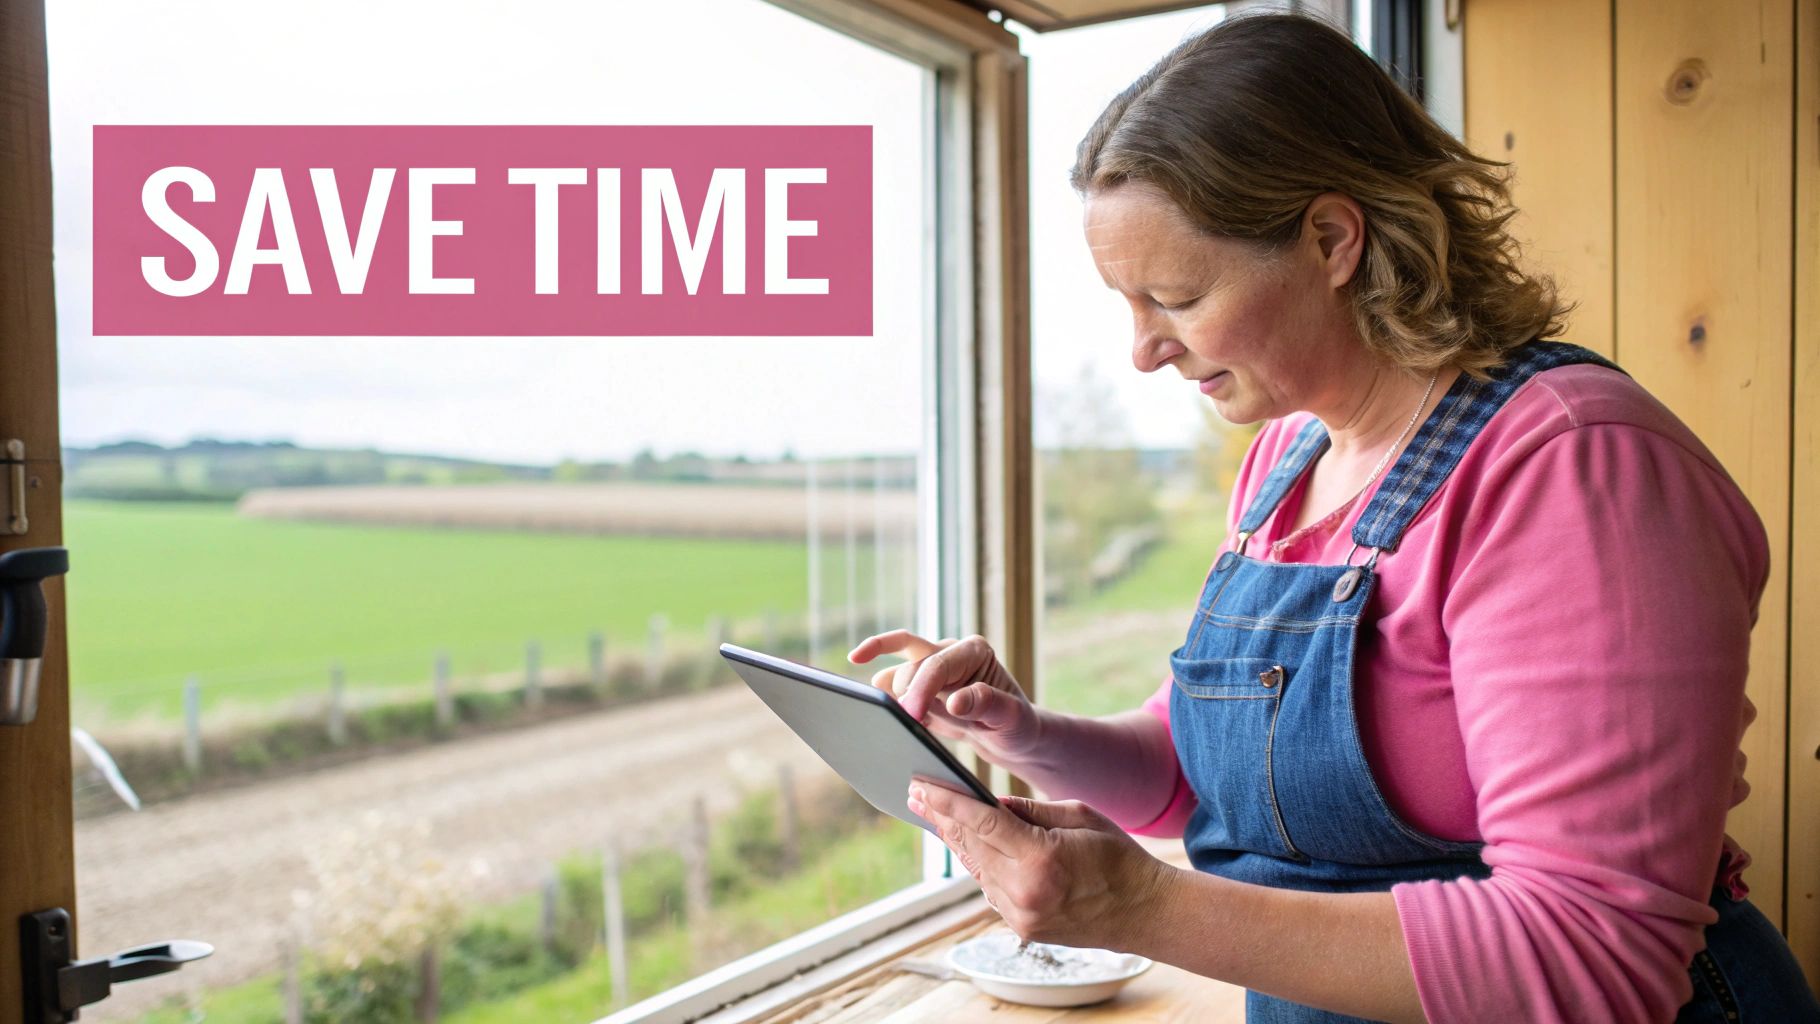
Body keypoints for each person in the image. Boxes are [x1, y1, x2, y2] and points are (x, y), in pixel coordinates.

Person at [846, 12, 1820, 1024]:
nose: (1143, 350)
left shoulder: (1573, 468)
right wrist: (1023, 730)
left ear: (1329, 239)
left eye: (1172, 296)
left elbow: (1588, 960)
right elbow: (1206, 780)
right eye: (1125, 303)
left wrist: (1135, 904)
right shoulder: (1285, 459)